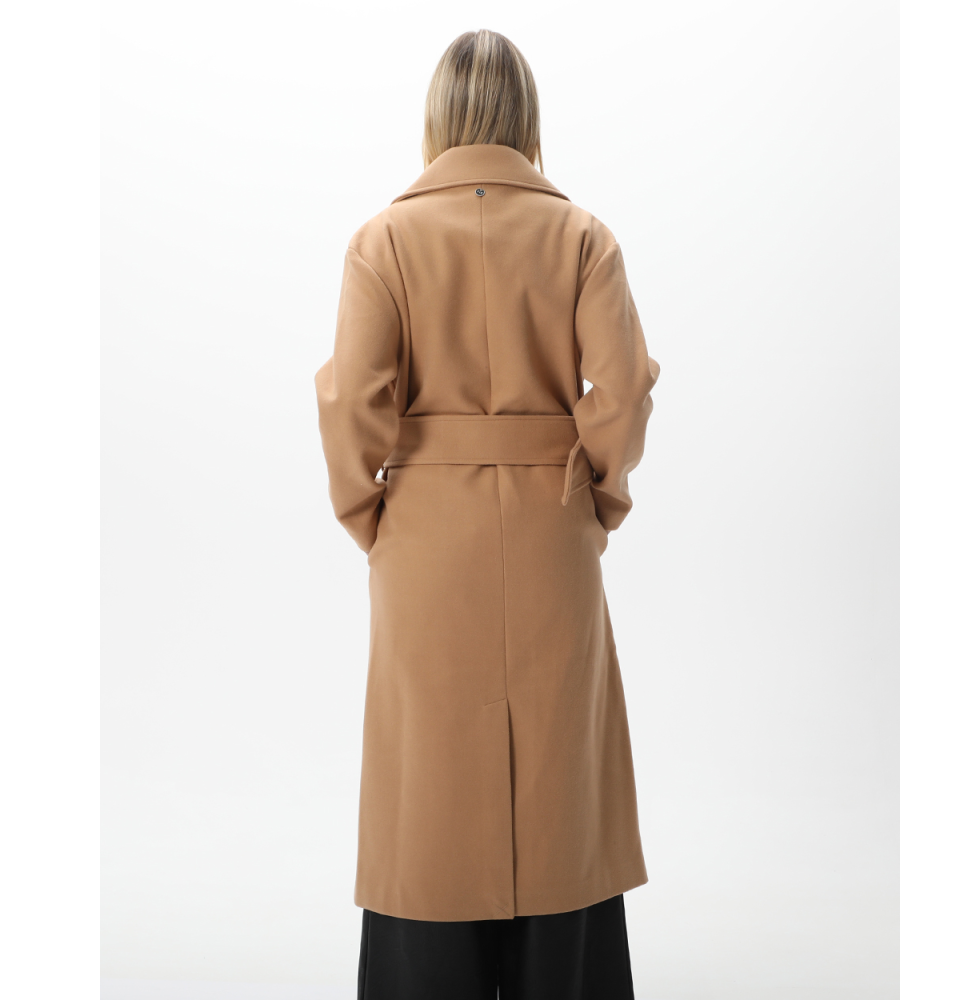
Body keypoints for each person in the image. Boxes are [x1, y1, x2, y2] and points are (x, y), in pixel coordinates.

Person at [315, 28, 659, 1000]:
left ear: (437, 120)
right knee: (559, 769)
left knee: (426, 774)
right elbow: (623, 389)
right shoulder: (581, 236)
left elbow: (350, 404)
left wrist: (371, 515)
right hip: (554, 531)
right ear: (527, 118)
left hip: (422, 534)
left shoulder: (384, 241)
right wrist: (596, 497)